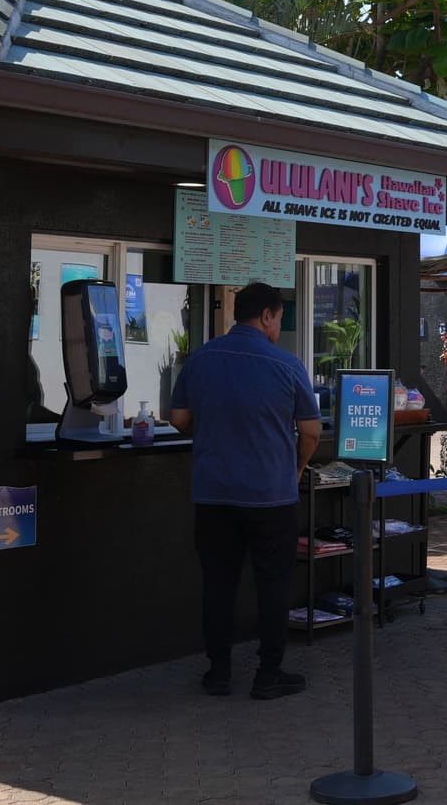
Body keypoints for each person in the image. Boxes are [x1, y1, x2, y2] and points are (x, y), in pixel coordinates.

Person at [168, 283, 321, 701]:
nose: (278, 328)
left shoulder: (200, 358)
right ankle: (268, 674)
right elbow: (310, 430)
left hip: (213, 494)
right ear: (268, 316)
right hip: (271, 495)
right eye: (279, 320)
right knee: (273, 585)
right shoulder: (286, 365)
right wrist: (296, 468)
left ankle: (218, 672)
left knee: (218, 583)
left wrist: (213, 434)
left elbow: (178, 418)